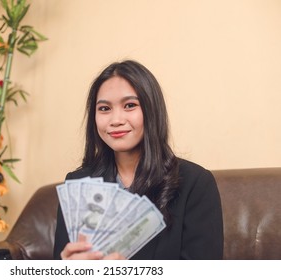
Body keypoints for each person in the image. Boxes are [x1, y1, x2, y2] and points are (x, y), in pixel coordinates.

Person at [53, 60, 224, 260]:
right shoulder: (79, 184)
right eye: (104, 109)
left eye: (130, 105)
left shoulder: (196, 183)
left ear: (152, 111)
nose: (116, 120)